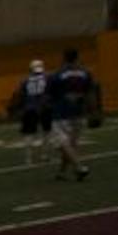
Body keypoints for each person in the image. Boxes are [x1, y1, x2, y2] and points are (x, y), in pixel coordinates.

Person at [48, 48, 98, 181]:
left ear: (64, 58)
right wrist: (94, 111)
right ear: (77, 58)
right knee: (71, 144)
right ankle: (62, 172)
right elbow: (91, 93)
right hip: (79, 113)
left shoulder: (57, 74)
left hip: (61, 113)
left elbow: (49, 96)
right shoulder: (86, 73)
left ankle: (79, 167)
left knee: (62, 144)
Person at [10, 59, 51, 165]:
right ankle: (45, 154)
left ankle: (28, 157)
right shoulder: (47, 78)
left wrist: (18, 108)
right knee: (46, 132)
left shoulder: (25, 80)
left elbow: (20, 95)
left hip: (29, 108)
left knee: (29, 134)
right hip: (45, 107)